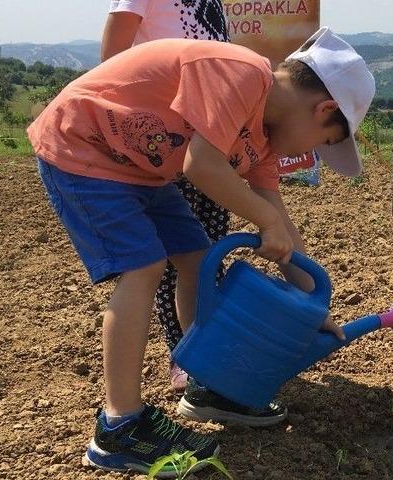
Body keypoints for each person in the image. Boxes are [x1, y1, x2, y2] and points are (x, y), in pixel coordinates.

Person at [28, 27, 374, 476]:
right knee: (144, 267)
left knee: (195, 256)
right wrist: (265, 223)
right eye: (325, 143)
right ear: (324, 109)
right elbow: (201, 164)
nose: (313, 154)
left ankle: (204, 379)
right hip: (83, 146)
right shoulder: (242, 72)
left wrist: (314, 301)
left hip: (142, 172)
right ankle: (118, 427)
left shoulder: (264, 142)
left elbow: (278, 217)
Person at [101, 0, 233, 393]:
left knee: (205, 251)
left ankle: (209, 349)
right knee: (169, 258)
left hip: (207, 138)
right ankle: (184, 355)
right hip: (161, 140)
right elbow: (112, 61)